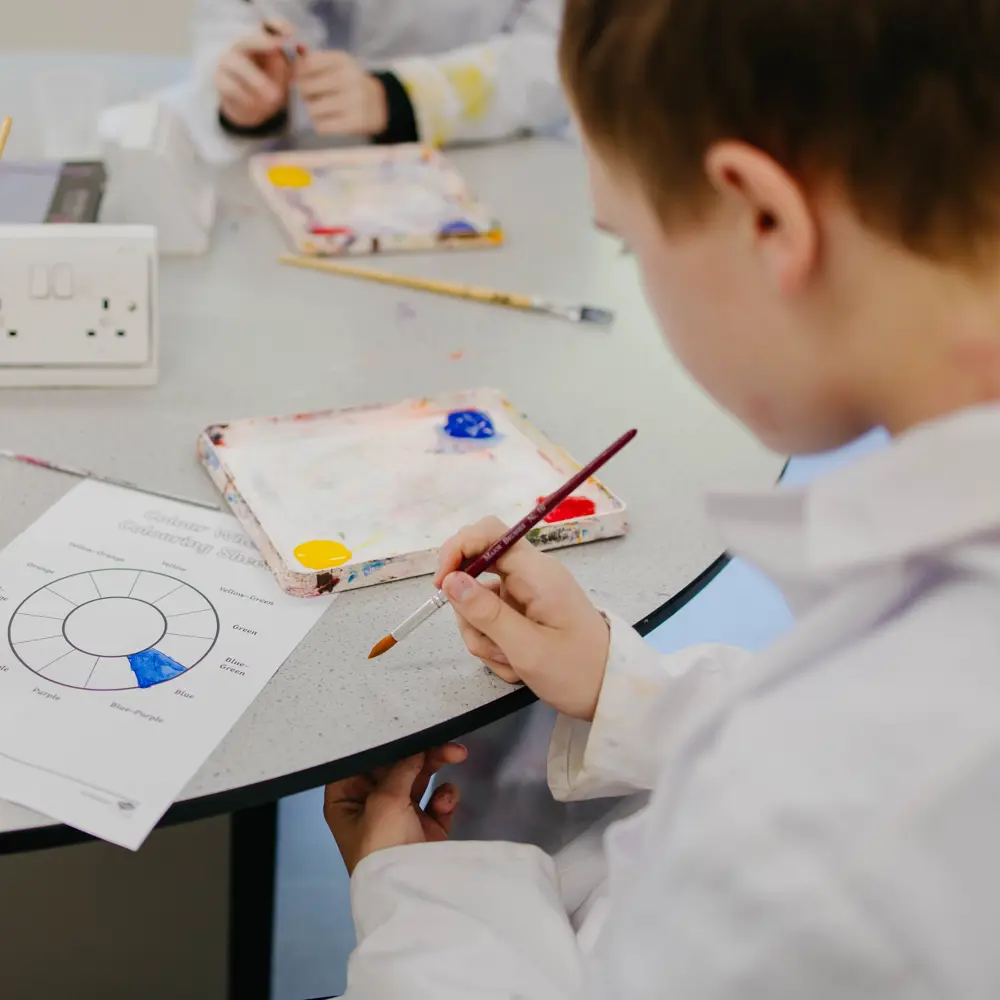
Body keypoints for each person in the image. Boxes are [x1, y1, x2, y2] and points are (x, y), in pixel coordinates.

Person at [321, 0, 1000, 996]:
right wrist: (621, 689)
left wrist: (413, 886)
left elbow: (815, 780)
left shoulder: (840, 819)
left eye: (630, 243)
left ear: (761, 215)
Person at [165, 0, 567, 164]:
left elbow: (560, 52)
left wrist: (401, 97)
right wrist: (250, 95)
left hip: (513, 157)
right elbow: (241, 16)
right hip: (322, 162)